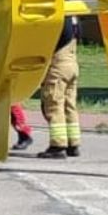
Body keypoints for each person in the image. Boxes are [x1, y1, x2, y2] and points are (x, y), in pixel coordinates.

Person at [38, 13, 82, 159]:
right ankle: (73, 144)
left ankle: (58, 145)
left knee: (54, 104)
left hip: (59, 66)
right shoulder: (73, 16)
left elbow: (50, 41)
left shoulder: (58, 16)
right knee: (70, 105)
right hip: (73, 64)